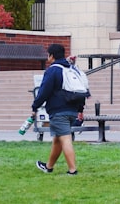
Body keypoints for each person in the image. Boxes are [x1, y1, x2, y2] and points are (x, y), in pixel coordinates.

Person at [32, 43, 86, 175]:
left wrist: (35, 106)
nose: (47, 57)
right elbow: (81, 89)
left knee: (65, 138)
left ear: (52, 55)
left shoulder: (53, 70)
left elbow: (44, 91)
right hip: (72, 110)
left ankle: (72, 170)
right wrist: (80, 109)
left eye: (48, 54)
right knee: (58, 138)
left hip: (58, 110)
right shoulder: (72, 69)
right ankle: (49, 167)